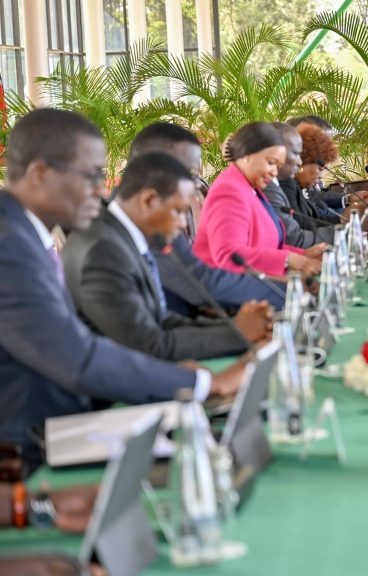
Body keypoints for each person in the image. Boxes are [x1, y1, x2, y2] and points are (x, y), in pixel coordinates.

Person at [0, 109, 244, 466]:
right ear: (40, 174)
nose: (101, 189)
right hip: (32, 445)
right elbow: (77, 357)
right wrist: (205, 384)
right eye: (91, 176)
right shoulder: (9, 245)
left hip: (68, 421)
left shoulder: (22, 233)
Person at [62, 152, 272, 362]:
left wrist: (235, 327)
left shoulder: (120, 235)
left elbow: (159, 320)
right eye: (178, 211)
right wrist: (238, 334)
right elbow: (148, 344)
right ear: (149, 200)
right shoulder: (104, 250)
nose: (183, 223)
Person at [129, 123, 286, 315]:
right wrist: (291, 290)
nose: (195, 186)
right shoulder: (113, 239)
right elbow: (203, 285)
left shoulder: (161, 225)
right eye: (190, 175)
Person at [192, 122, 326, 277]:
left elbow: (264, 245)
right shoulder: (229, 191)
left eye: (278, 166)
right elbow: (229, 256)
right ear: (247, 155)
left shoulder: (250, 187)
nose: (275, 172)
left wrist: (305, 253)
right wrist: (291, 259)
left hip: (256, 279)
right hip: (231, 288)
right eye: (271, 163)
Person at [265, 122, 335, 247]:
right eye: (296, 153)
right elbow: (294, 238)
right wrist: (345, 229)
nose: (300, 162)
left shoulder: (282, 184)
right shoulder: (277, 186)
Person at [283, 122, 344, 225]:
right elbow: (303, 226)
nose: (321, 176)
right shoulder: (286, 187)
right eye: (320, 169)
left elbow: (314, 217)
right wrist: (344, 219)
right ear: (303, 161)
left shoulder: (301, 187)